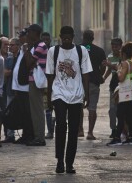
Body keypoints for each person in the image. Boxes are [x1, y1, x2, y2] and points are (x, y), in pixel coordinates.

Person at [46, 26, 92, 174]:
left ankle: (69, 163)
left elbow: (85, 74)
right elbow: (50, 75)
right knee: (60, 125)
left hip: (76, 94)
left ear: (73, 37)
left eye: (68, 37)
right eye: (63, 37)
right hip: (59, 93)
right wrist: (49, 96)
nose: (66, 40)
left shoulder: (81, 51)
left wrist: (87, 94)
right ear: (60, 37)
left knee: (73, 129)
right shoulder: (53, 51)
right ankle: (59, 161)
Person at [107, 42, 132, 146]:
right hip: (130, 92)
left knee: (120, 115)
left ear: (123, 53)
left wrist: (119, 70)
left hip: (124, 93)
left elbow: (121, 78)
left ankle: (117, 138)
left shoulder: (124, 63)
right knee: (130, 116)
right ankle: (131, 137)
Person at [79, 30, 106, 140]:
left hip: (79, 83)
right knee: (92, 108)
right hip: (94, 82)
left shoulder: (77, 49)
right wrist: (100, 75)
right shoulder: (99, 51)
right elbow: (103, 66)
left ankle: (80, 130)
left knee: (78, 107)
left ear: (83, 37)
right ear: (93, 38)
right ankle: (90, 132)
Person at [25, 24, 48, 146]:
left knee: (37, 110)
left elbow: (28, 63)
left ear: (35, 33)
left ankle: (40, 137)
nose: (28, 35)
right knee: (35, 110)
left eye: (29, 32)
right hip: (33, 79)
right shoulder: (37, 46)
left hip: (36, 80)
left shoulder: (40, 46)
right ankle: (37, 135)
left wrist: (27, 49)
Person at [11, 29, 34, 144]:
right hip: (18, 86)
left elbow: (29, 65)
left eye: (22, 36)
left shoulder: (29, 49)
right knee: (22, 113)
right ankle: (25, 135)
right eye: (19, 36)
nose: (20, 38)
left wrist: (26, 51)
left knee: (27, 113)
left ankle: (29, 135)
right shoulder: (21, 50)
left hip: (25, 87)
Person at [103, 38, 123, 139]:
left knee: (122, 109)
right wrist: (103, 78)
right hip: (114, 85)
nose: (114, 48)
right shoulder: (110, 56)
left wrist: (110, 65)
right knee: (112, 109)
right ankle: (113, 129)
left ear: (120, 46)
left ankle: (122, 128)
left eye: (116, 46)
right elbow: (109, 70)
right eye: (113, 46)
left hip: (123, 85)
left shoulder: (123, 57)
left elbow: (120, 68)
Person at [2, 37, 19, 143]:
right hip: (10, 89)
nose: (10, 47)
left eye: (12, 45)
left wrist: (12, 72)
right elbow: (5, 73)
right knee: (9, 112)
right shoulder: (9, 59)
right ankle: (9, 135)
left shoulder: (20, 56)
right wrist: (14, 72)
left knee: (20, 112)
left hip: (20, 89)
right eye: (9, 45)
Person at [41, 32, 55, 139]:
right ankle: (50, 131)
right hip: (44, 84)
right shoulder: (39, 51)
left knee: (54, 107)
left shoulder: (53, 51)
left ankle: (52, 128)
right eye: (43, 39)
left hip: (55, 83)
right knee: (47, 108)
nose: (45, 41)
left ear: (50, 40)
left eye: (47, 39)